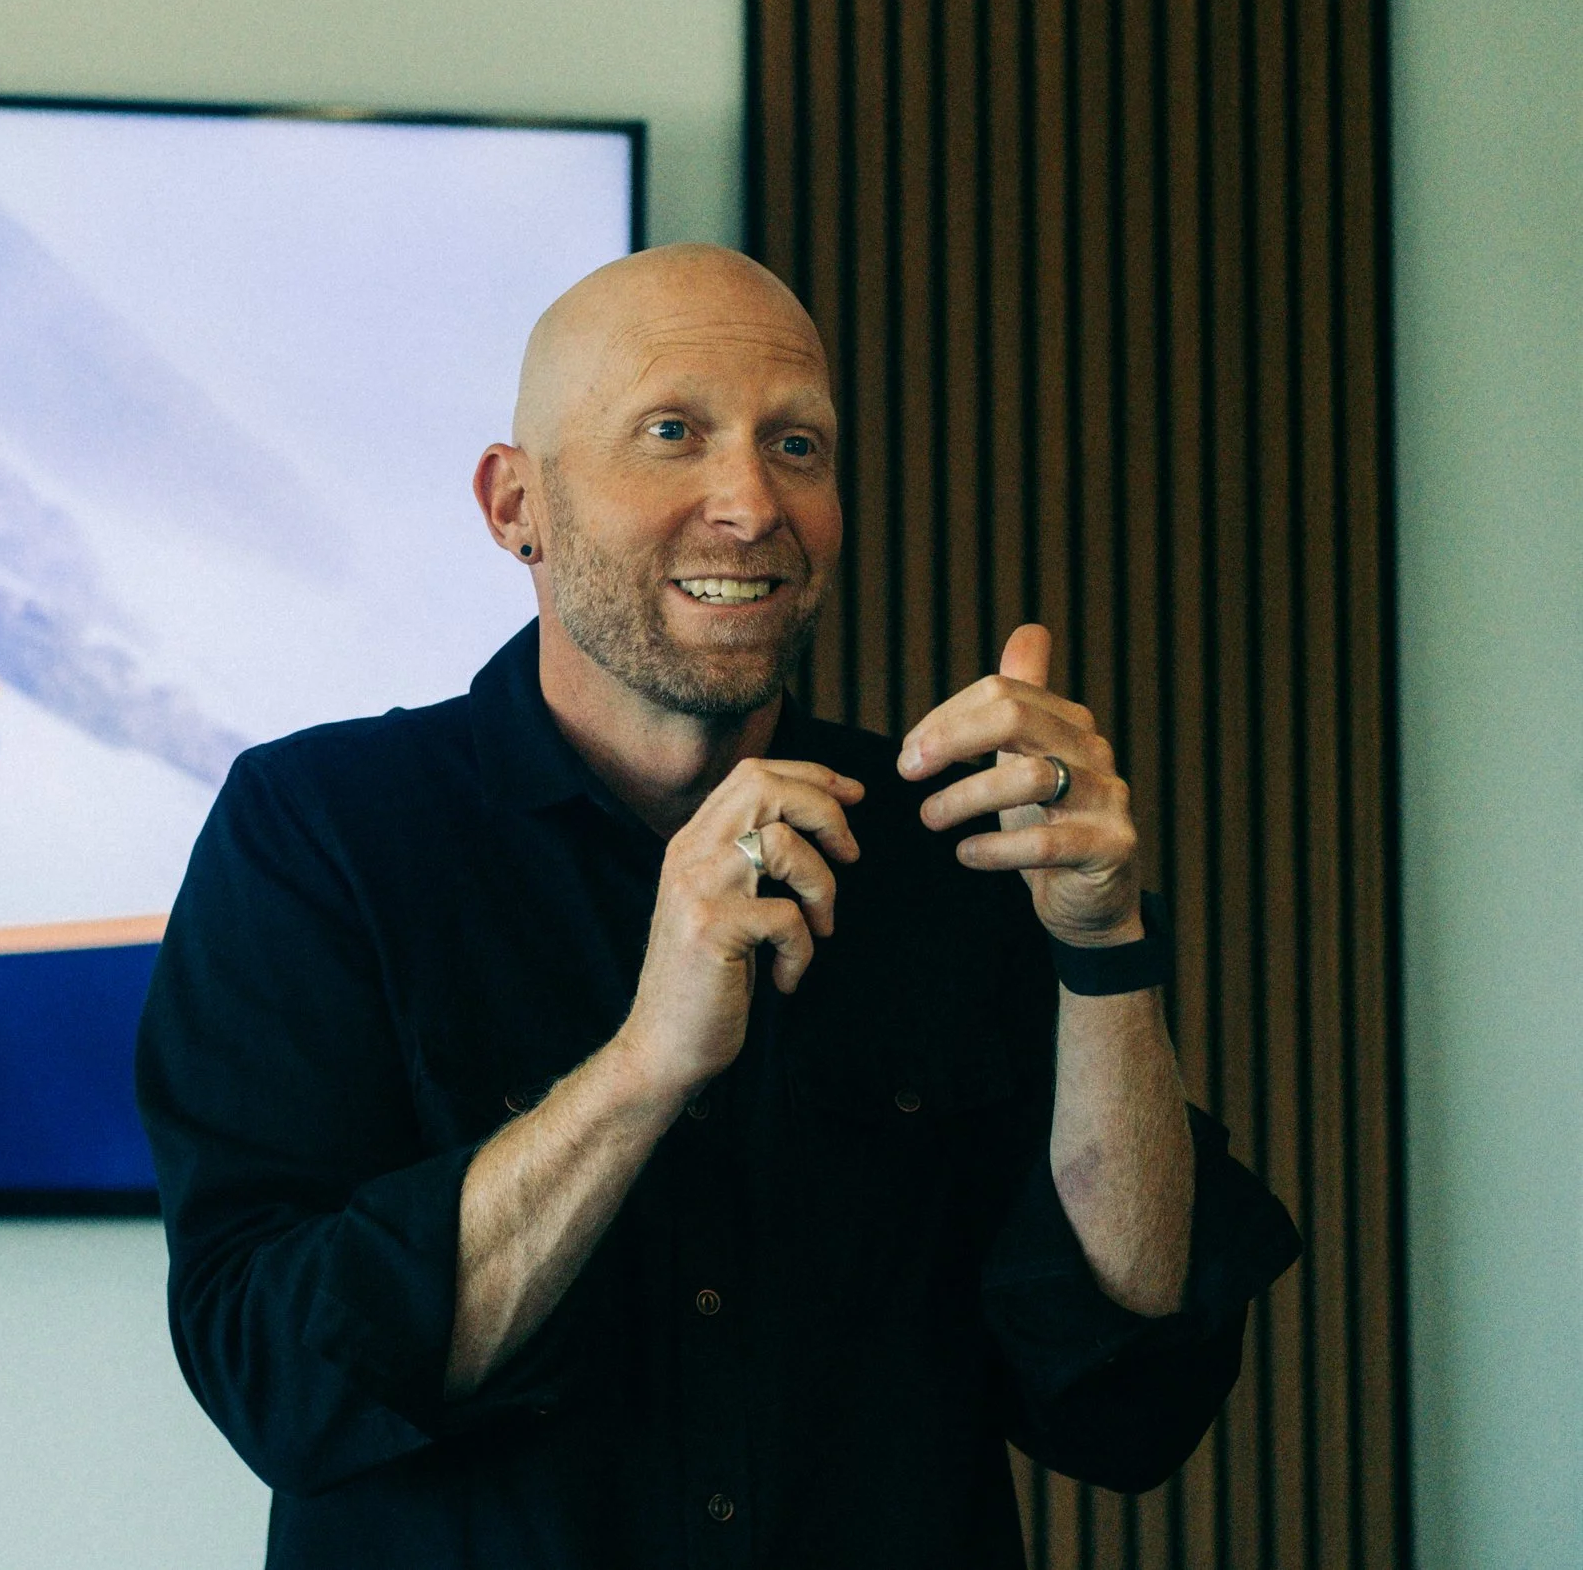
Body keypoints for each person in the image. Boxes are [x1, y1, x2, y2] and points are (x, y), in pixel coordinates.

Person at [136, 245, 1299, 1567]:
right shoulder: (321, 830)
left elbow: (1127, 1395)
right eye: (672, 433)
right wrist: (644, 1066)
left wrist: (1103, 951)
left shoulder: (949, 843)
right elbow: (281, 1375)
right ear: (517, 502)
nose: (750, 502)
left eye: (797, 445)